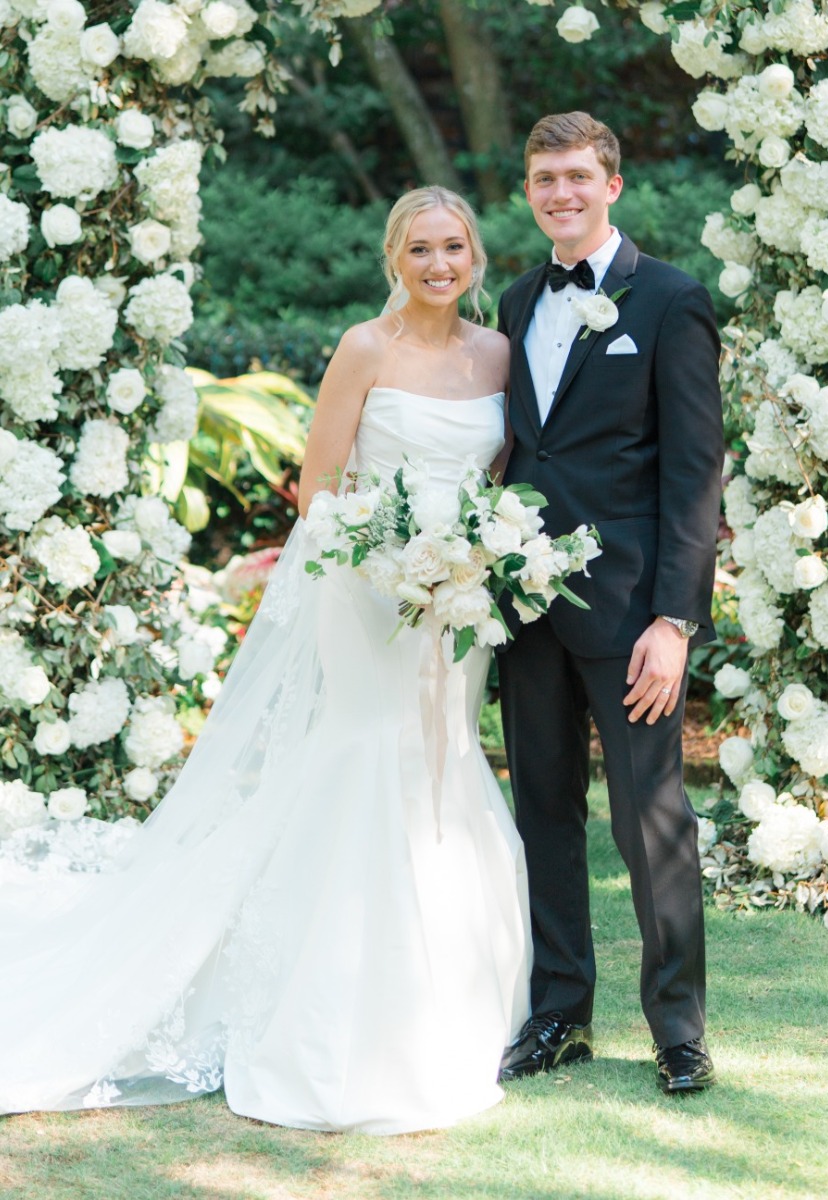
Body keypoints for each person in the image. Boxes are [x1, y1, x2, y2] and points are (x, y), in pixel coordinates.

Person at [0, 186, 531, 1134]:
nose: (439, 264)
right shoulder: (364, 348)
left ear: (476, 256)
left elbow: (497, 479)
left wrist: (470, 564)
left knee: (442, 755)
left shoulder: (496, 355)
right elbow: (321, 485)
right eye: (421, 249)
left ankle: (452, 985)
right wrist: (392, 567)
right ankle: (336, 1001)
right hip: (368, 589)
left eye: (454, 247)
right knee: (369, 751)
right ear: (393, 258)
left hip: (461, 599)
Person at [495, 113, 724, 1094]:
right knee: (542, 812)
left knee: (650, 821)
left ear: (614, 184)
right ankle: (559, 1018)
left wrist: (675, 622)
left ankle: (679, 1031)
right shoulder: (512, 301)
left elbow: (695, 474)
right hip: (524, 613)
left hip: (632, 619)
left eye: (580, 176)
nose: (563, 193)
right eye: (546, 177)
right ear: (532, 190)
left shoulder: (670, 300)